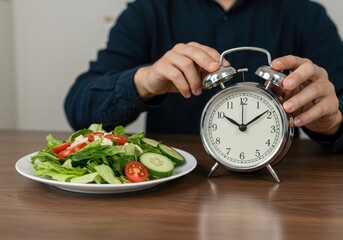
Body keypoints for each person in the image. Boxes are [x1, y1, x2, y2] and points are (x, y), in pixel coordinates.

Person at [64, 0, 343, 152]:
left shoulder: (307, 15)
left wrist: (332, 123)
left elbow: (336, 101)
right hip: (174, 191)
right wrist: (144, 82)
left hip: (281, 190)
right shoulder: (147, 11)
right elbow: (80, 109)